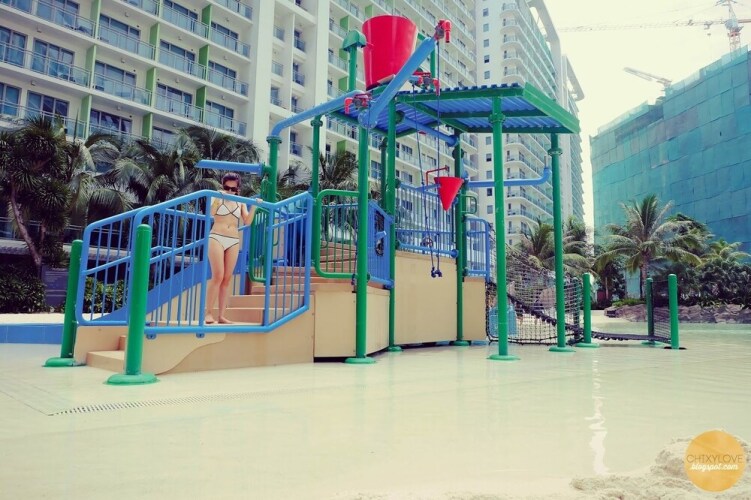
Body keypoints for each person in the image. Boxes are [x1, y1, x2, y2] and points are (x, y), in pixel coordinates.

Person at [205, 172, 260, 324]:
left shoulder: (240, 202)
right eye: (227, 187)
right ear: (223, 186)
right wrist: (220, 197)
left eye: (233, 189)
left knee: (227, 279)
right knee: (218, 276)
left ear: (238, 189)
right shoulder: (217, 196)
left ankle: (221, 316)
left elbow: (247, 221)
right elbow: (211, 213)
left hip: (233, 240)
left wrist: (254, 206)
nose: (229, 191)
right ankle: (208, 313)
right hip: (216, 237)